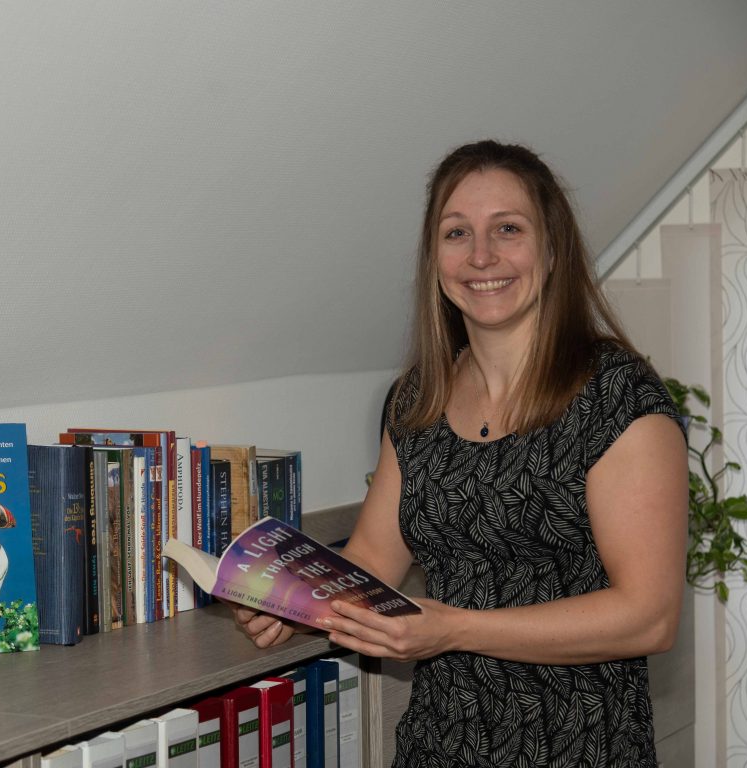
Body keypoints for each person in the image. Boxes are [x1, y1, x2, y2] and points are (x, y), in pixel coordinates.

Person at [234, 140, 688, 767]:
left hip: (582, 745)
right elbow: (372, 562)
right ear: (434, 258)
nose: (481, 256)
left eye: (508, 228)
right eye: (457, 233)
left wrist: (456, 628)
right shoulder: (418, 397)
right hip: (440, 744)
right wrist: (290, 600)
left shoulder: (618, 397)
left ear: (552, 250)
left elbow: (649, 617)